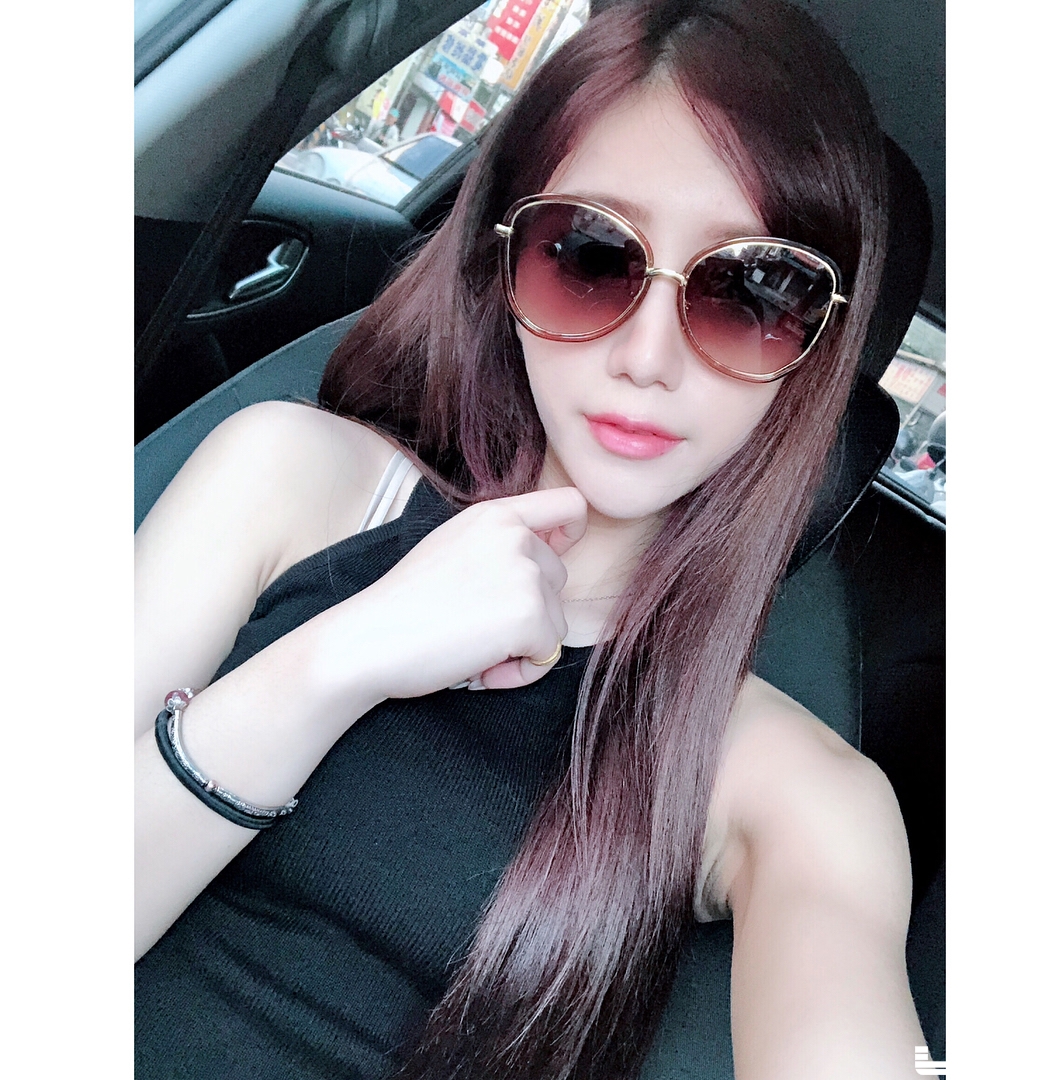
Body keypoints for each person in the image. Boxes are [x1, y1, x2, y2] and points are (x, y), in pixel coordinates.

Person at [135, 1, 928, 1077]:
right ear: (504, 263)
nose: (646, 359)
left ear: (816, 347)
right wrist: (340, 656)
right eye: (590, 256)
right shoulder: (288, 476)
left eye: (751, 291)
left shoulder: (796, 790)